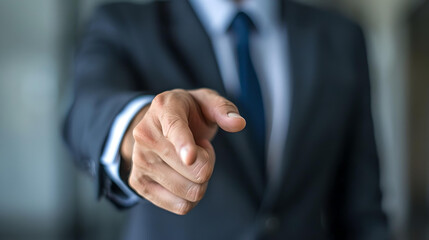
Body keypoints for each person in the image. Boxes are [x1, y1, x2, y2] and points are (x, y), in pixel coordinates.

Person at [63, 0, 390, 239]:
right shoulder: (124, 22)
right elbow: (85, 111)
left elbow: (362, 209)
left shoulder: (342, 38)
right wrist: (136, 127)